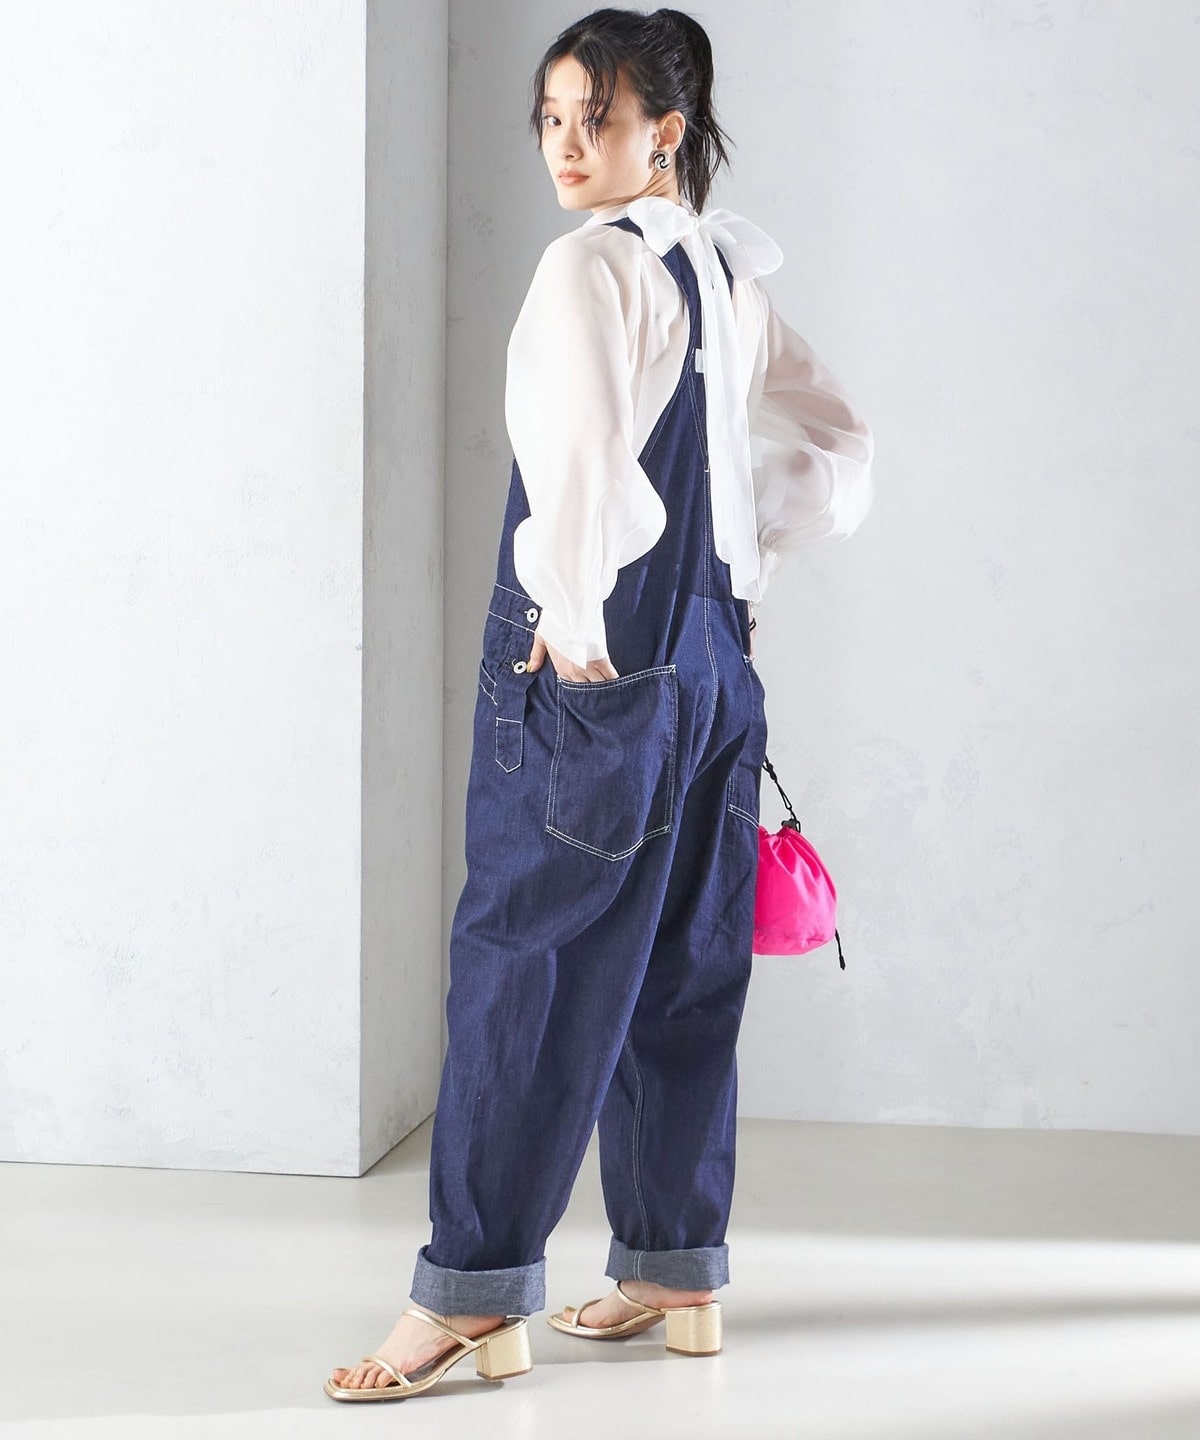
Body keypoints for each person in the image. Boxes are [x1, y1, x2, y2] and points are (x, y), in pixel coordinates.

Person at [326, 4, 873, 1403]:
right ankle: (675, 1268)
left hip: (597, 658)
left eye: (598, 118)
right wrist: (747, 566)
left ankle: (466, 1297)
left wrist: (569, 622)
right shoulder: (723, 277)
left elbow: (574, 461)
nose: (566, 145)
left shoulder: (589, 268)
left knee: (529, 966)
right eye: (552, 118)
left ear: (664, 132)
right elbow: (837, 439)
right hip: (718, 668)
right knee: (686, 970)